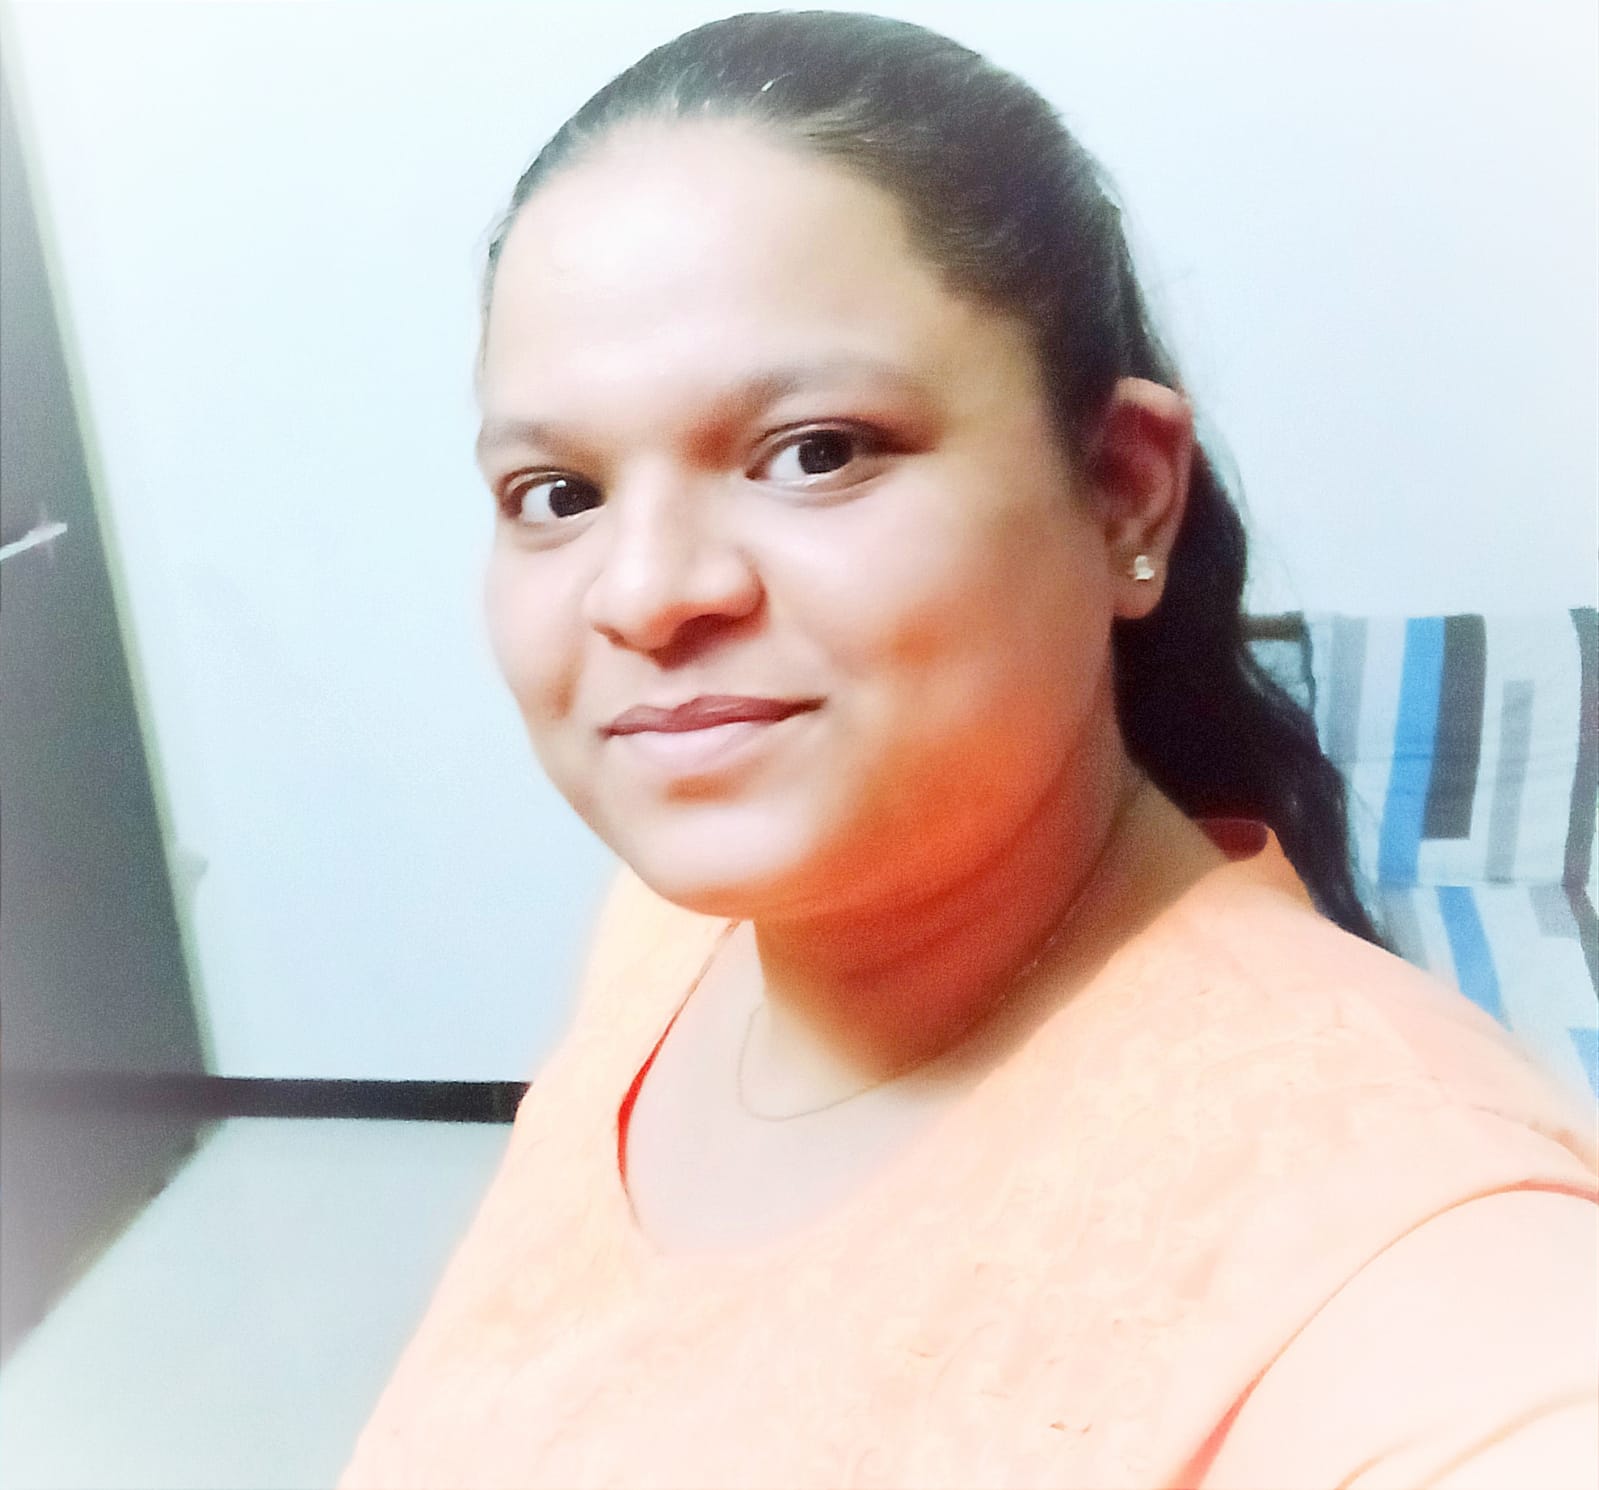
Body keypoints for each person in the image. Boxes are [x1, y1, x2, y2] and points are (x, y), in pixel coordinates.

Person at [340, 12, 1597, 1487]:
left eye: (816, 451)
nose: (646, 593)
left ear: (1124, 492)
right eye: (558, 493)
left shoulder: (1424, 1272)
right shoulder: (676, 940)